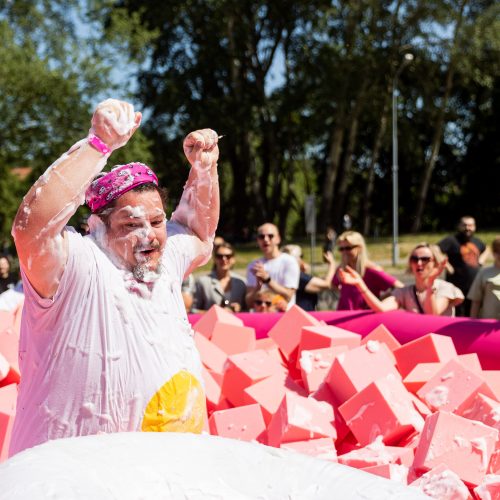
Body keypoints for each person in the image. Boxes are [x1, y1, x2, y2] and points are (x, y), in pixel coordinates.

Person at [9, 99, 220, 456]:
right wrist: (98, 144)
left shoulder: (164, 259)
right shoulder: (79, 263)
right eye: (130, 224)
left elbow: (198, 233)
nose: (148, 235)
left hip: (172, 472)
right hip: (72, 479)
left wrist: (203, 171)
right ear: (98, 226)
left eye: (155, 222)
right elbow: (32, 231)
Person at [340, 243, 464, 316]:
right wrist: (360, 284)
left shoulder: (446, 288)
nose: (419, 263)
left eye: (425, 259)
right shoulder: (405, 292)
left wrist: (430, 283)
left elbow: (432, 316)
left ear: (435, 263)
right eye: (414, 259)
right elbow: (381, 309)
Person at [332, 231, 403, 310]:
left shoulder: (371, 270)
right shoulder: (341, 269)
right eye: (341, 249)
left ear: (359, 248)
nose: (344, 252)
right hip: (343, 314)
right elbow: (333, 284)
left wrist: (379, 301)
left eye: (348, 248)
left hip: (365, 316)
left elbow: (400, 288)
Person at [438, 216, 488, 316]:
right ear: (459, 226)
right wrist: (446, 265)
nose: (467, 228)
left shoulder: (477, 241)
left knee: (473, 316)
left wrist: (482, 260)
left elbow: (487, 249)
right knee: (458, 316)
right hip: (456, 287)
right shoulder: (451, 240)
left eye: (470, 225)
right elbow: (435, 249)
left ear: (474, 227)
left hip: (474, 286)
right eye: (464, 225)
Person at [245, 223, 300, 310]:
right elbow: (249, 303)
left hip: (283, 317)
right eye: (261, 237)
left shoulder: (289, 262)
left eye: (270, 236)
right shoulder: (253, 265)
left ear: (278, 239)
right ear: (257, 240)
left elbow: (288, 296)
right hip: (260, 318)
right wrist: (257, 288)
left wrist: (267, 280)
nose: (266, 239)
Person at [192, 242, 247, 313]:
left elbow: (249, 310)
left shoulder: (241, 282)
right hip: (211, 322)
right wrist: (216, 312)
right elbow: (193, 311)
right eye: (219, 256)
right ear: (214, 259)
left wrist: (239, 308)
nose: (224, 259)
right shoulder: (202, 282)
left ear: (233, 259)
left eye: (228, 256)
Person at [282, 244, 336, 311]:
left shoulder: (285, 275)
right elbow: (326, 284)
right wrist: (332, 264)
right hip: (303, 316)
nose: (302, 259)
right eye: (301, 256)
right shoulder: (299, 277)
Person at [468, 236, 500, 320]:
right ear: (494, 253)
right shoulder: (484, 272)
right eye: (498, 251)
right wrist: (473, 322)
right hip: (488, 322)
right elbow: (476, 300)